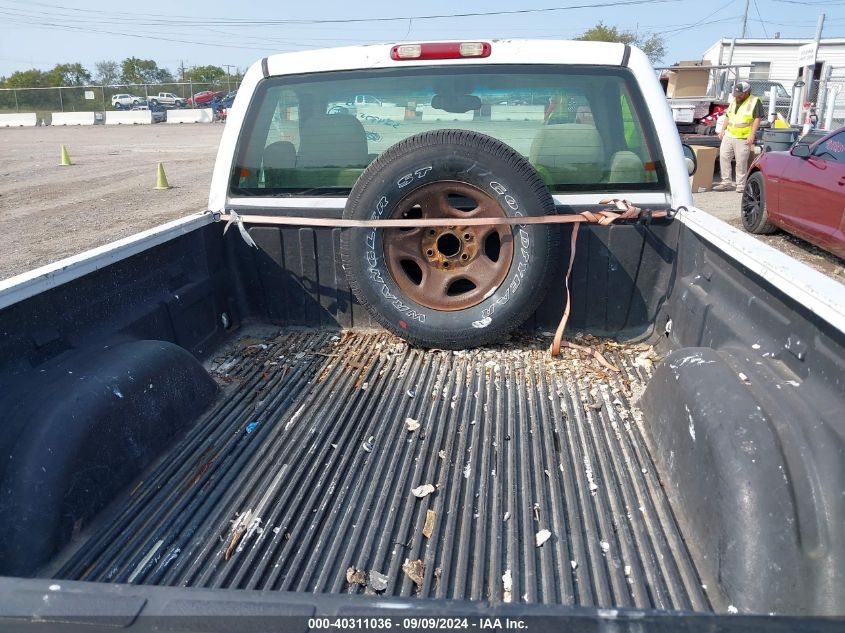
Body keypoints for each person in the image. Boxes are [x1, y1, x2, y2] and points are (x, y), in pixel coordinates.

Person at [714, 81, 762, 192]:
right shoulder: (734, 100)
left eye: (740, 94)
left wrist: (752, 135)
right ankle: (726, 182)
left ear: (746, 92)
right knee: (724, 157)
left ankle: (740, 185)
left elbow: (757, 119)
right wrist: (722, 130)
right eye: (736, 94)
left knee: (741, 161)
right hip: (729, 134)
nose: (737, 96)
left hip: (743, 137)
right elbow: (728, 116)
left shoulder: (755, 101)